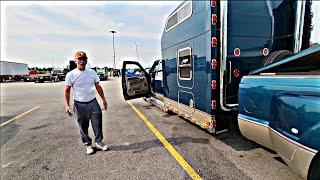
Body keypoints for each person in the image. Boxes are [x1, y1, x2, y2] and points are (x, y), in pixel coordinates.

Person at [64, 51, 109, 155]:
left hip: (93, 102)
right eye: (79, 59)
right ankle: (88, 145)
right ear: (75, 60)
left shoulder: (92, 73)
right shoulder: (70, 75)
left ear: (86, 61)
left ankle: (98, 142)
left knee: (97, 123)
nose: (82, 61)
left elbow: (98, 86)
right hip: (79, 105)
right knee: (83, 126)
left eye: (84, 59)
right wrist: (67, 105)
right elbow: (67, 90)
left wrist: (103, 99)